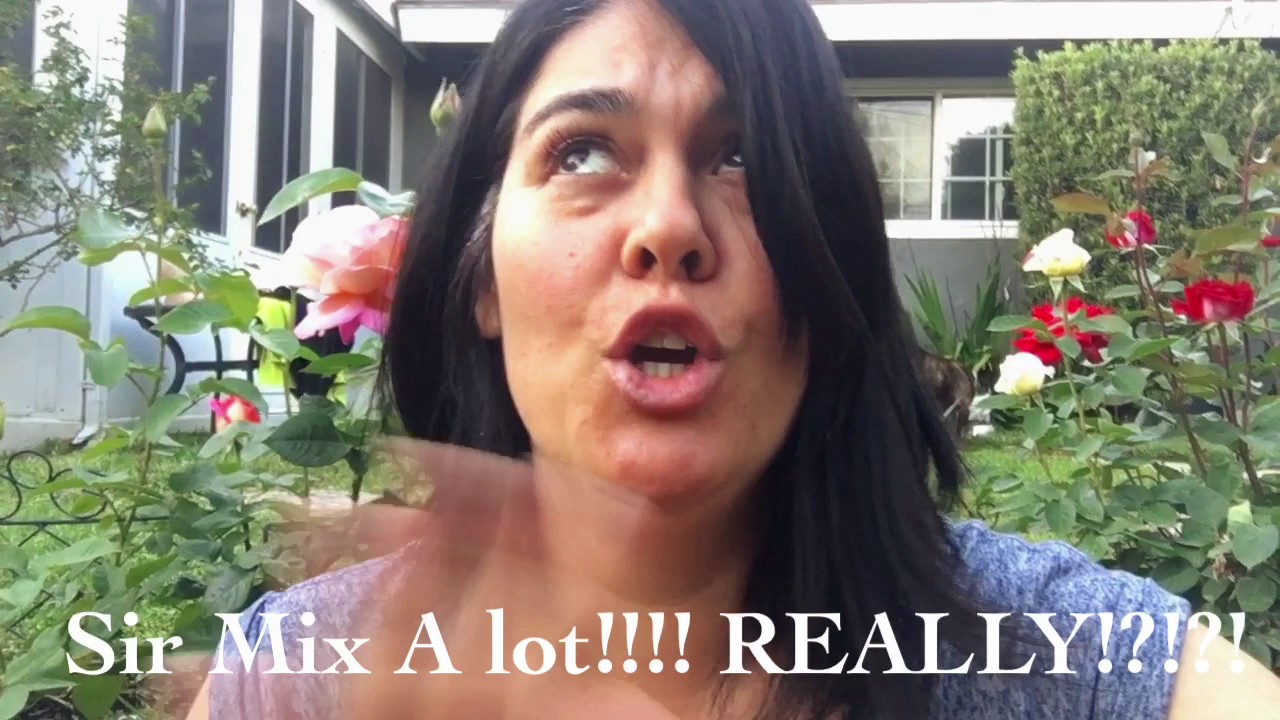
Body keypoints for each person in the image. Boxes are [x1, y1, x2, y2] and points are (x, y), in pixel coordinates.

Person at [179, 0, 1280, 717]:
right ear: (480, 281)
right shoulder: (309, 672)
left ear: (828, 272)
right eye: (582, 152)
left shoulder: (1061, 658)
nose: (669, 225)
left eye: (743, 156)